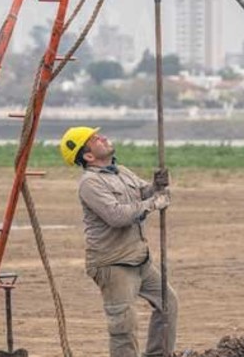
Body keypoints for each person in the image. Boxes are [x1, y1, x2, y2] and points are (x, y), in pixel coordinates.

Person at [60, 126, 177, 357]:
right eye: (94, 139)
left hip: (138, 258)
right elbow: (117, 216)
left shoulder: (120, 171)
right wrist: (153, 204)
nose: (101, 137)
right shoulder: (90, 183)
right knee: (124, 326)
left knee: (168, 304)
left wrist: (156, 186)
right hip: (113, 264)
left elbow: (142, 192)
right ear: (88, 156)